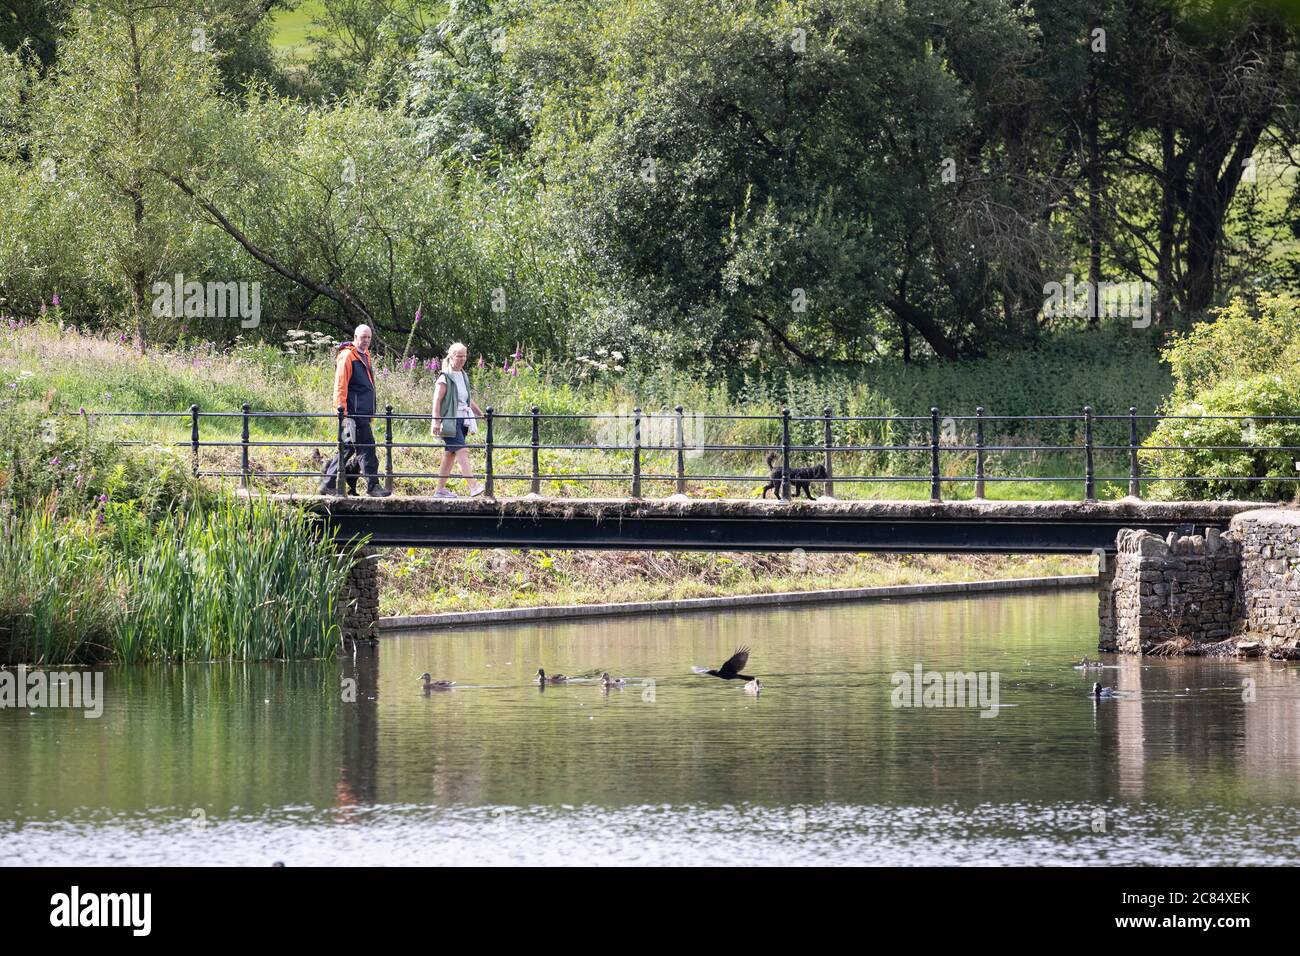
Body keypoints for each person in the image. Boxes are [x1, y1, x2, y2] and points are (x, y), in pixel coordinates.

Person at [331, 323, 390, 497]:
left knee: (348, 447)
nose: (366, 341)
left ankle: (329, 481)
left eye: (368, 338)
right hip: (353, 413)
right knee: (367, 448)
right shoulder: (348, 356)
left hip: (363, 412)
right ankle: (373, 486)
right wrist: (341, 412)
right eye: (362, 337)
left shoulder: (365, 355)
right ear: (355, 337)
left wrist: (370, 411)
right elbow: (340, 385)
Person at [432, 341, 485, 498]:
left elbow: (467, 399)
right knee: (461, 451)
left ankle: (439, 490)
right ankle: (473, 486)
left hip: (463, 420)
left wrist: (481, 414)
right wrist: (436, 421)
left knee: (450, 454)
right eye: (459, 356)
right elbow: (437, 400)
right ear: (451, 356)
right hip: (450, 421)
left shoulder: (463, 375)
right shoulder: (445, 377)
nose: (462, 359)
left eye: (464, 356)